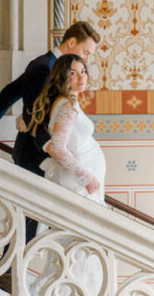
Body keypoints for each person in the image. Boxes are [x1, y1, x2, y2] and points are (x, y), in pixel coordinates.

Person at [0, 20, 100, 243]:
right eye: (85, 52)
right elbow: (35, 117)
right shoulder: (44, 68)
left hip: (46, 155)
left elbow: (12, 90)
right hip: (36, 156)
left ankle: (9, 273)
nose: (86, 60)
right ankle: (7, 274)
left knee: (36, 219)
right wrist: (52, 149)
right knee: (29, 218)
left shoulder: (44, 64)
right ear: (71, 42)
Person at [29, 53, 105, 204]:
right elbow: (57, 148)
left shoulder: (66, 102)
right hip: (78, 183)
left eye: (83, 72)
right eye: (73, 73)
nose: (81, 77)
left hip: (79, 181)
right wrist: (87, 178)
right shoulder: (67, 106)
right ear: (62, 76)